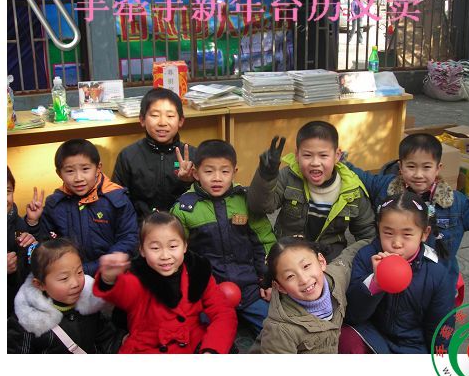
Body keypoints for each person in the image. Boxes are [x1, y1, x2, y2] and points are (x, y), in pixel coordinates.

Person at [347, 133, 469, 302]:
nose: (418, 174)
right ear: (400, 166)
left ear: (438, 168)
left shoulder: (456, 203)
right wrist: (335, 158)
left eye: (426, 167)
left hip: (436, 285)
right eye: (411, 166)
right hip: (392, 277)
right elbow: (359, 176)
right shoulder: (385, 187)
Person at [171, 140, 276, 336]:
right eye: (209, 171)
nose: (217, 178)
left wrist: (267, 279)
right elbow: (177, 253)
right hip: (210, 291)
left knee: (275, 330)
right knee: (200, 336)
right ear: (196, 173)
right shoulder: (184, 209)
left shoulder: (246, 200)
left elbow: (264, 240)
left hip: (250, 288)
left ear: (234, 172)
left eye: (225, 171)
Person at [93, 211, 237, 354]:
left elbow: (223, 313)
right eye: (155, 248)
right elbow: (124, 293)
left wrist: (211, 350)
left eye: (173, 246)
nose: (165, 255)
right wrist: (109, 278)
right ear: (142, 250)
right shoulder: (138, 276)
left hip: (193, 343)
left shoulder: (198, 272)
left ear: (184, 246)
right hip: (148, 349)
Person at [247, 121, 376, 262]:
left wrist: (346, 261)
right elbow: (259, 207)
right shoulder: (289, 176)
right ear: (297, 155)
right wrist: (266, 176)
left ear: (337, 155)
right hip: (290, 249)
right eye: (307, 155)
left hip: (330, 253)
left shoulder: (351, 190)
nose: (315, 162)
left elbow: (368, 235)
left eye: (323, 156)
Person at [343, 191, 453, 354]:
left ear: (424, 233)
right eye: (388, 233)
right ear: (378, 229)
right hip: (372, 336)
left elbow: (441, 325)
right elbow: (352, 315)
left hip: (412, 345)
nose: (396, 243)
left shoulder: (436, 273)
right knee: (346, 337)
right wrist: (375, 283)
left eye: (407, 234)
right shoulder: (366, 257)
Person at [35, 139, 138, 277]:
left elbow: (129, 236)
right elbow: (46, 243)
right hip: (69, 275)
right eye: (70, 171)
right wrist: (32, 222)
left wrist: (109, 261)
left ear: (98, 168)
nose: (78, 178)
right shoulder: (55, 204)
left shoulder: (116, 198)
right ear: (59, 173)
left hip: (110, 272)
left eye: (85, 169)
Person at [7, 239, 126, 354]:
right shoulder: (27, 321)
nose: (75, 283)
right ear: (40, 284)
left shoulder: (89, 304)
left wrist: (125, 342)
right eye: (64, 278)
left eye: (79, 272)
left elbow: (107, 340)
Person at [250, 236, 364, 354]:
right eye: (290, 276)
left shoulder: (336, 279)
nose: (304, 280)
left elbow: (348, 256)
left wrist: (373, 241)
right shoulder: (280, 330)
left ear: (321, 261)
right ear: (280, 287)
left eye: (306, 266)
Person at [112, 89, 197, 222]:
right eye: (155, 115)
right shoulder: (128, 156)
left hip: (183, 226)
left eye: (170, 116)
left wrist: (188, 182)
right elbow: (118, 201)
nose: (162, 122)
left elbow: (206, 200)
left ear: (180, 121)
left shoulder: (193, 155)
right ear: (142, 120)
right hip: (141, 227)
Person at [7, 166, 42, 317]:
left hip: (16, 309)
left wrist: (32, 225)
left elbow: (31, 262)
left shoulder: (17, 223)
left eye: (7, 191)